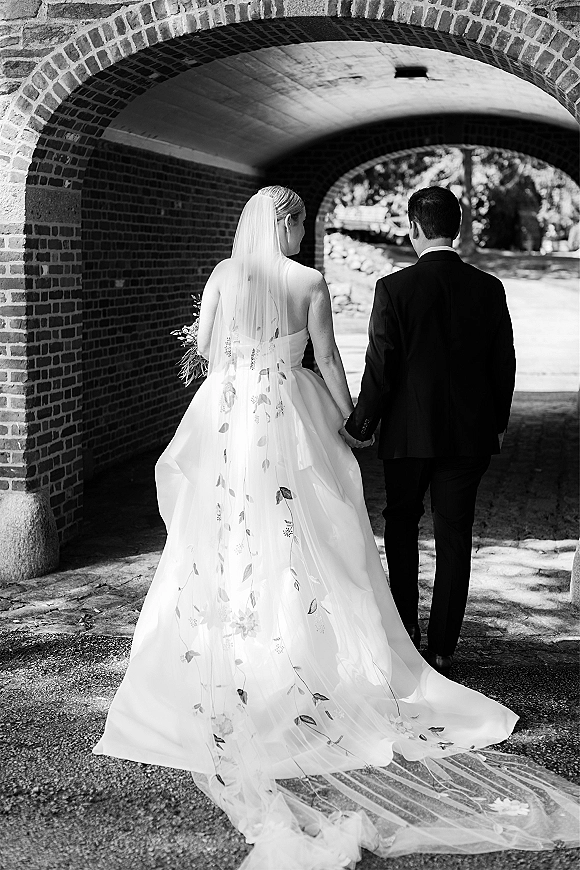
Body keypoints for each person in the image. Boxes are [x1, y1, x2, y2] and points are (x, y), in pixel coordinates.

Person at [93, 187, 578, 869]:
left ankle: (241, 654)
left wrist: (248, 368)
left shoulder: (225, 276)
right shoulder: (312, 281)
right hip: (292, 414)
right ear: (285, 223)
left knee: (228, 531)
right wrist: (350, 422)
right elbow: (327, 358)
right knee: (310, 530)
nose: (296, 237)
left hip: (231, 419)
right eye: (295, 226)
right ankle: (391, 650)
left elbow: (206, 346)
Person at [345, 187, 516, 677]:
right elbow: (502, 364)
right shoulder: (488, 288)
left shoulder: (393, 289)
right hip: (468, 436)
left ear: (414, 228)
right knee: (455, 533)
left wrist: (361, 425)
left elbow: (381, 368)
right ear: (457, 229)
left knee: (401, 523)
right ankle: (443, 647)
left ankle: (405, 634)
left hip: (407, 436)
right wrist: (497, 424)